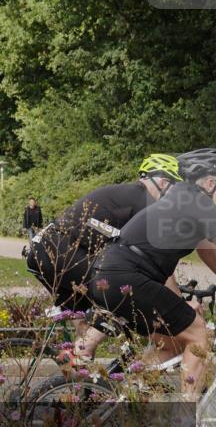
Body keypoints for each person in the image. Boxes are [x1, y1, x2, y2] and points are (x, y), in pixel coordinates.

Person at [26, 154, 183, 363]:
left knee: (87, 329)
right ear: (163, 181)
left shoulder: (127, 194)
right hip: (62, 252)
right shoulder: (146, 201)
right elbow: (156, 264)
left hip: (45, 249)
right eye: (174, 188)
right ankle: (83, 351)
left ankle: (79, 384)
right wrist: (179, 303)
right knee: (121, 293)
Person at [88, 148, 216, 398]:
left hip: (112, 273)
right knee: (199, 334)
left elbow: (210, 253)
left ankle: (130, 397)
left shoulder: (183, 200)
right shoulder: (198, 202)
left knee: (169, 341)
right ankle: (185, 418)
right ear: (211, 182)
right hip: (127, 276)